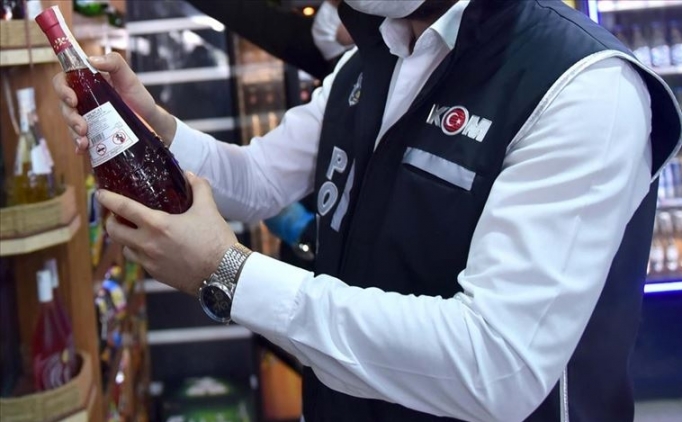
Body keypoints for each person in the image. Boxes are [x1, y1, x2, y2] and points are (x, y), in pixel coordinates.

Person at [54, 1, 681, 421]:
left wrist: (228, 273)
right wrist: (152, 124)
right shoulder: (369, 62)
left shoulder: (583, 88)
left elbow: (497, 366)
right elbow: (257, 180)